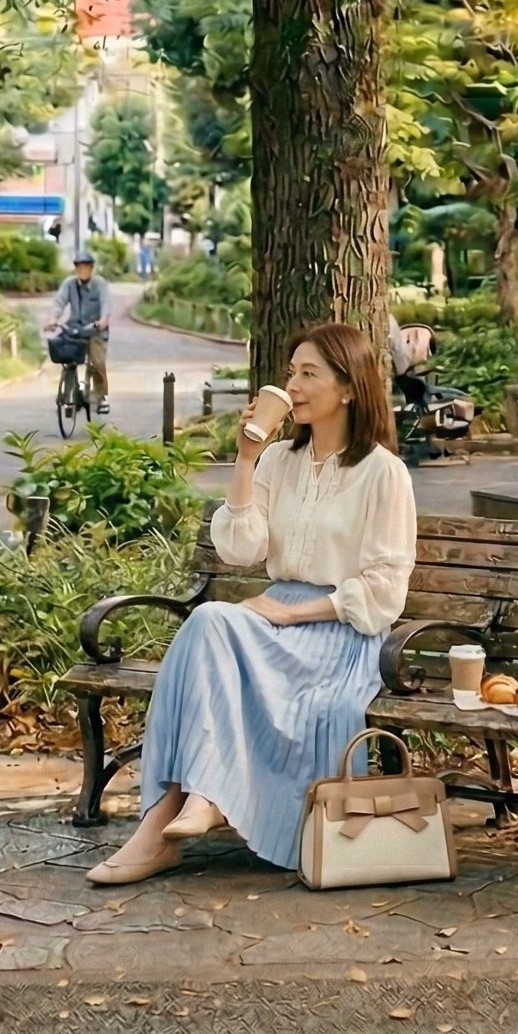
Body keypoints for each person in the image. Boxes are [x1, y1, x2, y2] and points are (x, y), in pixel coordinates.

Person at [87, 323, 416, 885]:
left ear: (350, 388)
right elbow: (240, 549)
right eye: (292, 373)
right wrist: (245, 460)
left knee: (213, 621)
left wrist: (293, 612)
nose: (295, 384)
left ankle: (178, 812)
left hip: (338, 633)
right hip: (273, 621)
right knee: (211, 621)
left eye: (310, 373)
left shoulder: (383, 473)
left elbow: (385, 589)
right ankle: (191, 805)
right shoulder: (279, 462)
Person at [49, 249, 110, 415]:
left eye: (85, 267)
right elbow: (59, 302)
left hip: (95, 329)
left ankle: (102, 396)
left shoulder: (100, 284)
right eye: (79, 267)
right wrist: (53, 319)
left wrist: (103, 320)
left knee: (97, 363)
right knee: (67, 359)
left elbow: (106, 305)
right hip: (74, 328)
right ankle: (70, 395)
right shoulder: (69, 283)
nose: (82, 270)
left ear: (91, 268)